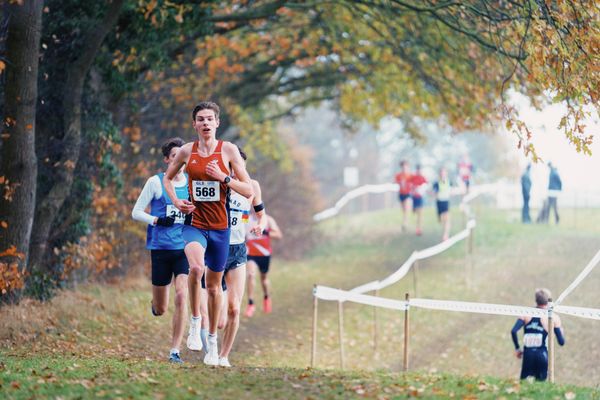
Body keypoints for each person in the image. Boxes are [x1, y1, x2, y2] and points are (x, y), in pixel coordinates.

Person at [163, 101, 254, 366]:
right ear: (194, 124)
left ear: (217, 123)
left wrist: (223, 178)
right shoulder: (185, 151)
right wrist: (177, 202)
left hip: (221, 228)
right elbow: (168, 179)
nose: (205, 123)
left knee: (214, 289)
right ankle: (194, 324)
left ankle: (212, 342)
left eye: (209, 119)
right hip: (195, 222)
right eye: (200, 119)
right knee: (195, 268)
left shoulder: (228, 150)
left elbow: (248, 190)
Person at [131, 137, 189, 363]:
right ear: (167, 160)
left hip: (184, 248)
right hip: (160, 249)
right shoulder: (155, 182)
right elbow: (136, 212)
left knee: (182, 295)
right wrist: (156, 220)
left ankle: (175, 350)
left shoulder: (192, 183)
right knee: (162, 308)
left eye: (183, 157)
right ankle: (155, 306)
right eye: (174, 157)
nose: (180, 161)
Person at [215, 147, 267, 367]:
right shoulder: (219, 184)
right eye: (232, 167)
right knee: (219, 322)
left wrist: (260, 227)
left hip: (238, 250)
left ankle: (224, 356)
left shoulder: (253, 186)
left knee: (235, 308)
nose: (236, 171)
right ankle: (209, 342)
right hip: (216, 249)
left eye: (239, 167)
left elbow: (261, 216)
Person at [510, 288, 565, 381]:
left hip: (528, 355)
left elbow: (513, 331)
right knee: (540, 387)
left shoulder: (526, 314)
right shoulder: (553, 317)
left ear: (536, 300)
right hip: (542, 355)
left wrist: (517, 348)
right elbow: (561, 342)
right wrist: (561, 332)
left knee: (523, 385)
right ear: (548, 301)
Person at [244, 214, 282, 317]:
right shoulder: (246, 218)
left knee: (264, 279)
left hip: (264, 254)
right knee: (251, 275)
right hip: (250, 253)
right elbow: (241, 230)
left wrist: (264, 231)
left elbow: (278, 235)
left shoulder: (268, 219)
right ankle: (251, 304)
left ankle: (266, 297)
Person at [433, 167, 451, 241]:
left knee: (447, 218)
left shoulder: (449, 182)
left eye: (444, 172)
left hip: (446, 202)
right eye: (441, 172)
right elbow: (434, 193)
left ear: (446, 173)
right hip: (439, 202)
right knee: (441, 219)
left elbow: (452, 189)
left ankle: (445, 235)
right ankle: (444, 233)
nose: (442, 174)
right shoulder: (436, 183)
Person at [409, 164, 427, 236]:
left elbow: (426, 186)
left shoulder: (423, 178)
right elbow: (409, 185)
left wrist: (421, 189)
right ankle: (417, 227)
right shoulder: (413, 177)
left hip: (420, 197)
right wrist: (413, 189)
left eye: (420, 170)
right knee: (415, 212)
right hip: (413, 197)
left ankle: (418, 229)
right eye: (418, 170)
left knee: (420, 214)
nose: (419, 171)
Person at [394, 160, 412, 232]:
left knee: (407, 209)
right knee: (404, 210)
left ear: (408, 167)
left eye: (406, 166)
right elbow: (395, 183)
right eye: (403, 167)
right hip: (401, 194)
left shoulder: (410, 175)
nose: (404, 168)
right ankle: (405, 221)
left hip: (408, 194)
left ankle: (405, 223)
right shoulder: (398, 176)